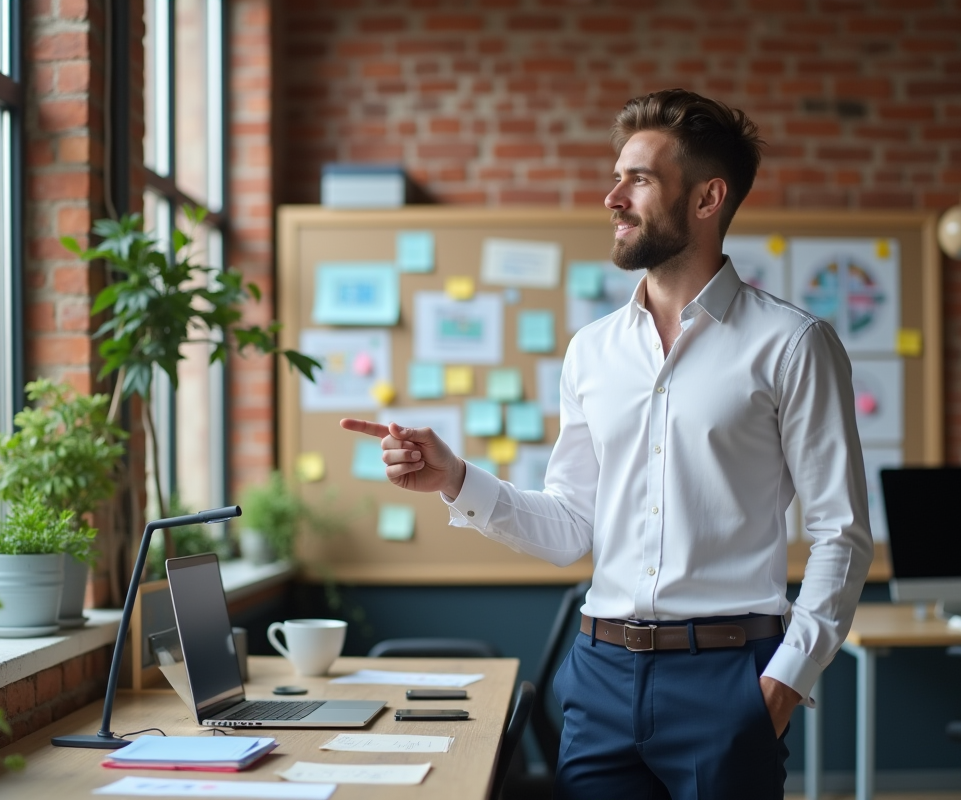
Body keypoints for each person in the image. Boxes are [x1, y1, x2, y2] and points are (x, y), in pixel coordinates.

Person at [341, 88, 872, 799]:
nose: (612, 197)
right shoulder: (590, 352)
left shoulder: (794, 345)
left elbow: (842, 533)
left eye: (640, 179)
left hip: (730, 681)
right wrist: (454, 479)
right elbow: (569, 528)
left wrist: (780, 686)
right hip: (599, 679)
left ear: (709, 198)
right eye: (618, 175)